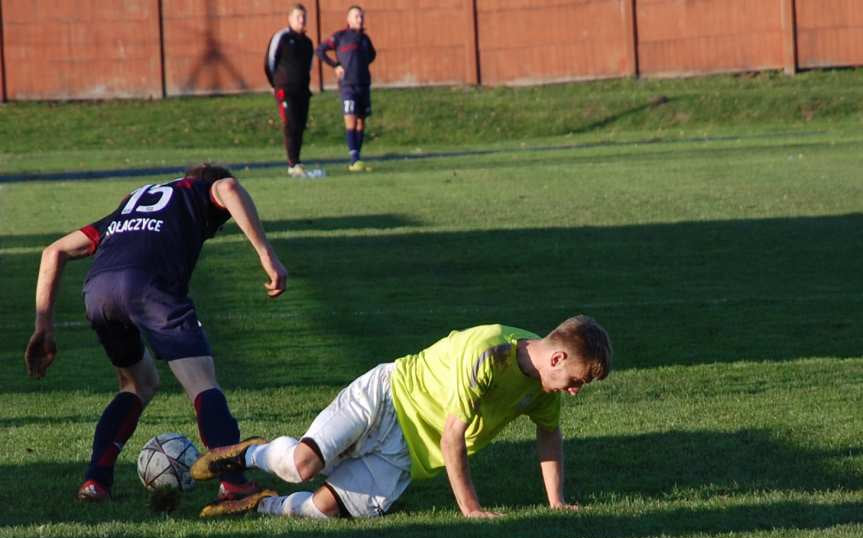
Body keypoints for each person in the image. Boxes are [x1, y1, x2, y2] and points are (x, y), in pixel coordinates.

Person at [24, 164, 288, 503]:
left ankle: (95, 481)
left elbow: (53, 251)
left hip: (99, 291)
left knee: (138, 384)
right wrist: (268, 256)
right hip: (151, 287)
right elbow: (230, 188)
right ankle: (234, 481)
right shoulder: (198, 192)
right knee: (201, 383)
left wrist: (43, 326)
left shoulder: (136, 203)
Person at [191, 316, 612, 519]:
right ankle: (250, 454)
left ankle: (261, 506)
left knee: (322, 512)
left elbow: (549, 436)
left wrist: (556, 503)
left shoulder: (543, 386)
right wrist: (472, 510)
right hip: (388, 398)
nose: (574, 391)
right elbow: (453, 438)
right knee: (301, 465)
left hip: (404, 457)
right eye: (575, 380)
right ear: (556, 357)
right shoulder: (488, 353)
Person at [316, 5, 376, 172]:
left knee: (361, 122)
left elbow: (371, 55)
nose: (360, 19)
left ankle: (358, 156)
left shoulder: (365, 39)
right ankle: (354, 159)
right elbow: (320, 50)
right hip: (347, 85)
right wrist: (335, 65)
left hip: (363, 85)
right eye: (356, 16)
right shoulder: (340, 37)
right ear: (348, 19)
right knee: (350, 118)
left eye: (361, 16)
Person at [265, 3, 315, 178]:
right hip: (285, 89)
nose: (301, 20)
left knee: (300, 126)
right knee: (291, 124)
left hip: (302, 90)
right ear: (290, 19)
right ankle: (292, 164)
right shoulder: (282, 37)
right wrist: (274, 84)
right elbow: (269, 62)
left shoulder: (308, 42)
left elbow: (309, 67)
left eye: (304, 17)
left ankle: (297, 161)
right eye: (298, 17)